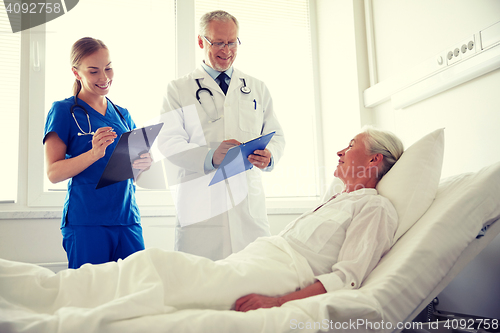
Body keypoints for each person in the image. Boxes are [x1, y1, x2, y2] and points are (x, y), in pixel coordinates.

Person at [2, 127, 404, 321]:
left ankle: (54, 309)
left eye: (350, 145)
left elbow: (348, 277)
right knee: (152, 266)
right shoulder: (335, 198)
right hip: (256, 258)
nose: (339, 149)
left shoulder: (374, 209)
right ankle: (42, 292)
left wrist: (277, 302)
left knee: (158, 269)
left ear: (373, 161)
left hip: (278, 273)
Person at [158, 10, 285, 260]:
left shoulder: (256, 87)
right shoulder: (178, 89)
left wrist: (270, 156)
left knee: (253, 280)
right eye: (218, 42)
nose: (226, 50)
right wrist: (210, 158)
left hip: (248, 207)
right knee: (201, 287)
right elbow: (167, 141)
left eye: (232, 42)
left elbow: (276, 134)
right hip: (202, 209)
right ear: (200, 41)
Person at [43, 37, 152, 269]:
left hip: (127, 218)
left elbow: (133, 173)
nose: (104, 78)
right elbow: (53, 172)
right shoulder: (63, 111)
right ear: (76, 72)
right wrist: (93, 153)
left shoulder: (122, 114)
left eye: (108, 68)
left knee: (137, 291)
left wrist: (142, 164)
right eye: (93, 71)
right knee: (89, 296)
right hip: (87, 221)